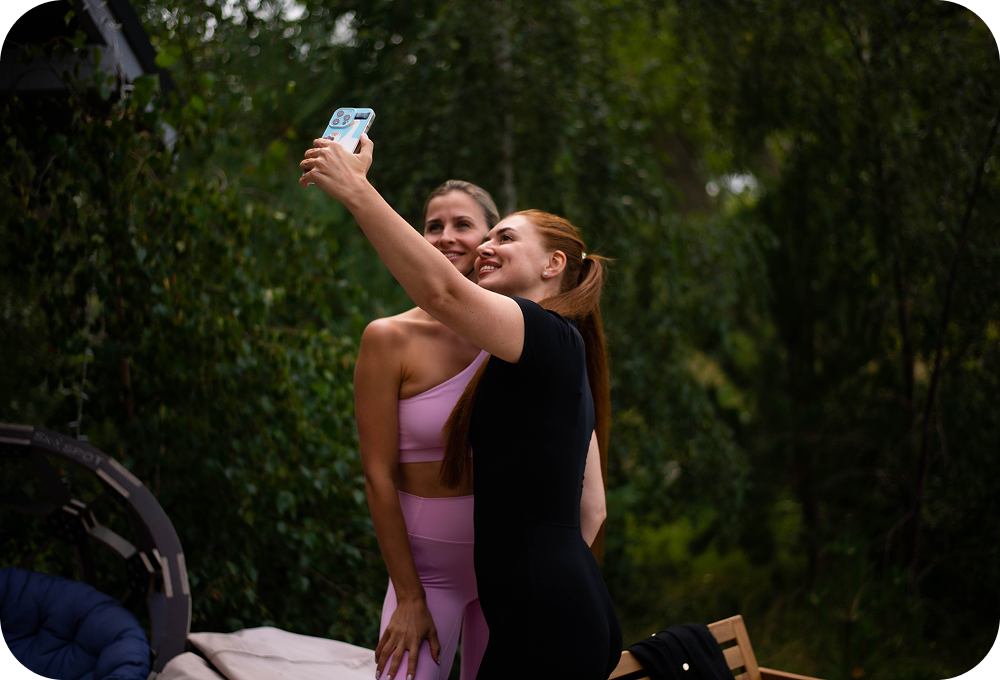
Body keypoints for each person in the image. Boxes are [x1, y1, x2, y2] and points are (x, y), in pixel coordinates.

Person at [302, 136, 621, 680]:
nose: (484, 247)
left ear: (554, 264)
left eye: (503, 236)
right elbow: (592, 510)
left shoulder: (543, 337)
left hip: (542, 614)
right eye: (488, 237)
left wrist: (356, 189)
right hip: (537, 603)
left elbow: (442, 293)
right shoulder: (540, 348)